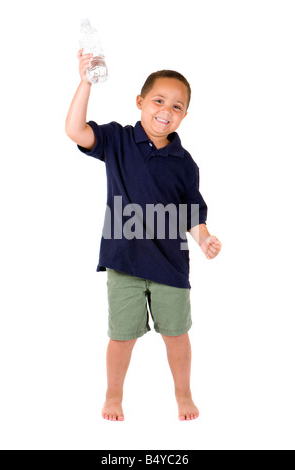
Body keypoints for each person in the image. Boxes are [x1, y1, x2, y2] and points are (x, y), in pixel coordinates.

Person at [65, 49, 222, 422]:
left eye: (177, 106)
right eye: (158, 100)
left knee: (177, 335)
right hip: (125, 261)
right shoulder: (119, 141)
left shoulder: (185, 163)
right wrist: (86, 81)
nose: (166, 110)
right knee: (121, 336)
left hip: (170, 266)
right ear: (140, 102)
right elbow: (75, 130)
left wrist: (204, 238)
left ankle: (183, 394)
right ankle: (113, 395)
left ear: (184, 115)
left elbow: (192, 210)